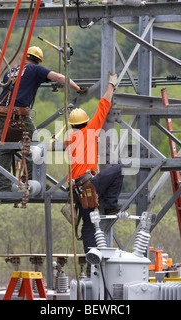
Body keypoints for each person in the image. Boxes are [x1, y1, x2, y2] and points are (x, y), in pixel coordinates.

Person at [0, 46, 87, 192]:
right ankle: (31, 181)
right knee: (35, 147)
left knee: (5, 150)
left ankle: (3, 187)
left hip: (2, 114)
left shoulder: (10, 71)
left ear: (25, 57)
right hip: (19, 115)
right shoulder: (35, 69)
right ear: (38, 61)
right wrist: (77, 88)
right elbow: (60, 78)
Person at [66, 72, 124, 256]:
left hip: (75, 190)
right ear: (85, 122)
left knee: (89, 225)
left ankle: (92, 261)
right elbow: (104, 105)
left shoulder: (69, 138)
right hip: (88, 185)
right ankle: (111, 204)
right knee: (118, 169)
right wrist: (111, 85)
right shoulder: (89, 131)